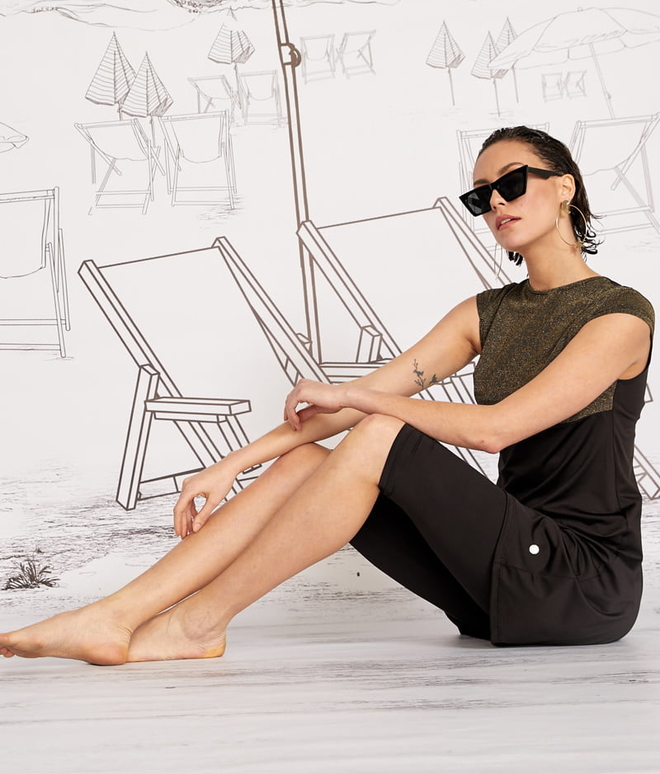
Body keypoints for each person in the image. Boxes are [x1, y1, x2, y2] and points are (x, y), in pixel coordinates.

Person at [0, 126, 654, 664]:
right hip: (490, 591)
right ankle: (115, 615)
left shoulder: (620, 317)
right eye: (480, 196)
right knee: (306, 462)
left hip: (581, 585)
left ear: (564, 186)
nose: (495, 204)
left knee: (380, 430)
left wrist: (362, 402)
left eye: (511, 183)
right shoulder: (486, 313)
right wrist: (231, 464)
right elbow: (356, 399)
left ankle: (197, 625)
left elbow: (495, 429)